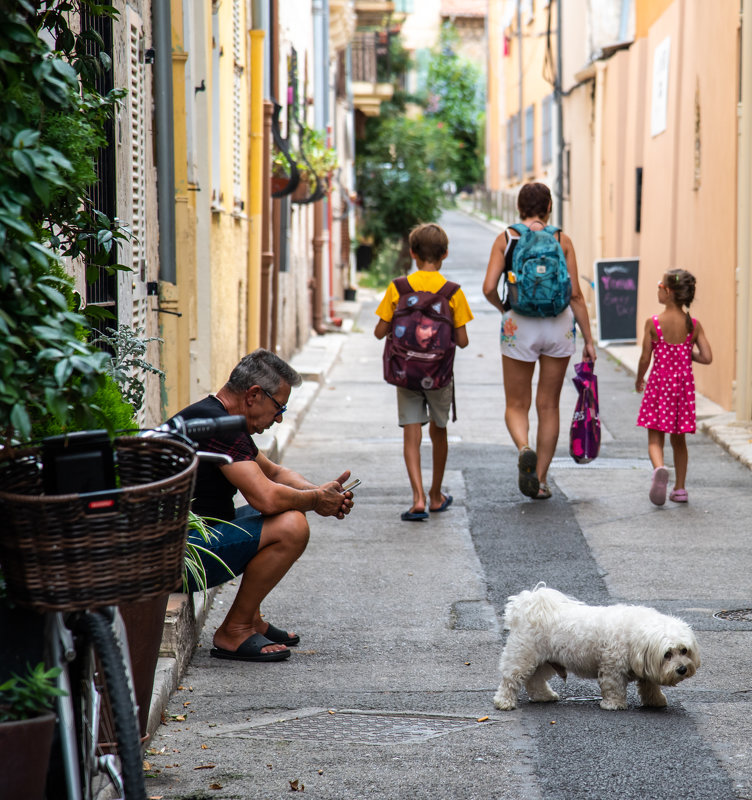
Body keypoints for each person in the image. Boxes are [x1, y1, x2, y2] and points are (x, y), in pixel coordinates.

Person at [171, 349, 355, 662]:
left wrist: (322, 492)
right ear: (255, 394)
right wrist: (315, 501)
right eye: (278, 407)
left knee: (286, 513)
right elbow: (265, 497)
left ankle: (251, 620)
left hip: (184, 545)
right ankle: (235, 630)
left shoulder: (218, 417)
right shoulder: (219, 426)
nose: (280, 417)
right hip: (177, 559)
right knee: (291, 526)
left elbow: (275, 473)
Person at [482, 182, 596, 500]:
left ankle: (524, 447)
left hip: (520, 326)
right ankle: (541, 480)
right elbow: (575, 294)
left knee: (516, 404)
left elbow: (489, 286)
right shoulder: (562, 239)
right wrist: (588, 340)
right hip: (558, 325)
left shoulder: (507, 238)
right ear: (549, 208)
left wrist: (505, 309)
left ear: (519, 209)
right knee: (548, 405)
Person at [374, 222, 473, 521]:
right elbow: (463, 341)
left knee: (411, 434)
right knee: (438, 430)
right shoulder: (452, 292)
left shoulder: (398, 288)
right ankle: (435, 494)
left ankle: (416, 498)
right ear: (445, 254)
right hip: (439, 375)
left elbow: (380, 332)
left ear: (413, 253)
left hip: (406, 373)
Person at [634, 269, 713, 505]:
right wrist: (686, 355)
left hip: (659, 386)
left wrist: (640, 379)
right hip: (682, 390)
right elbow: (707, 357)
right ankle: (679, 489)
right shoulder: (693, 325)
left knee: (655, 439)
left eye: (660, 285)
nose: (657, 288)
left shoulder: (654, 323)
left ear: (667, 292)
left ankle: (659, 469)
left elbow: (645, 358)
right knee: (679, 441)